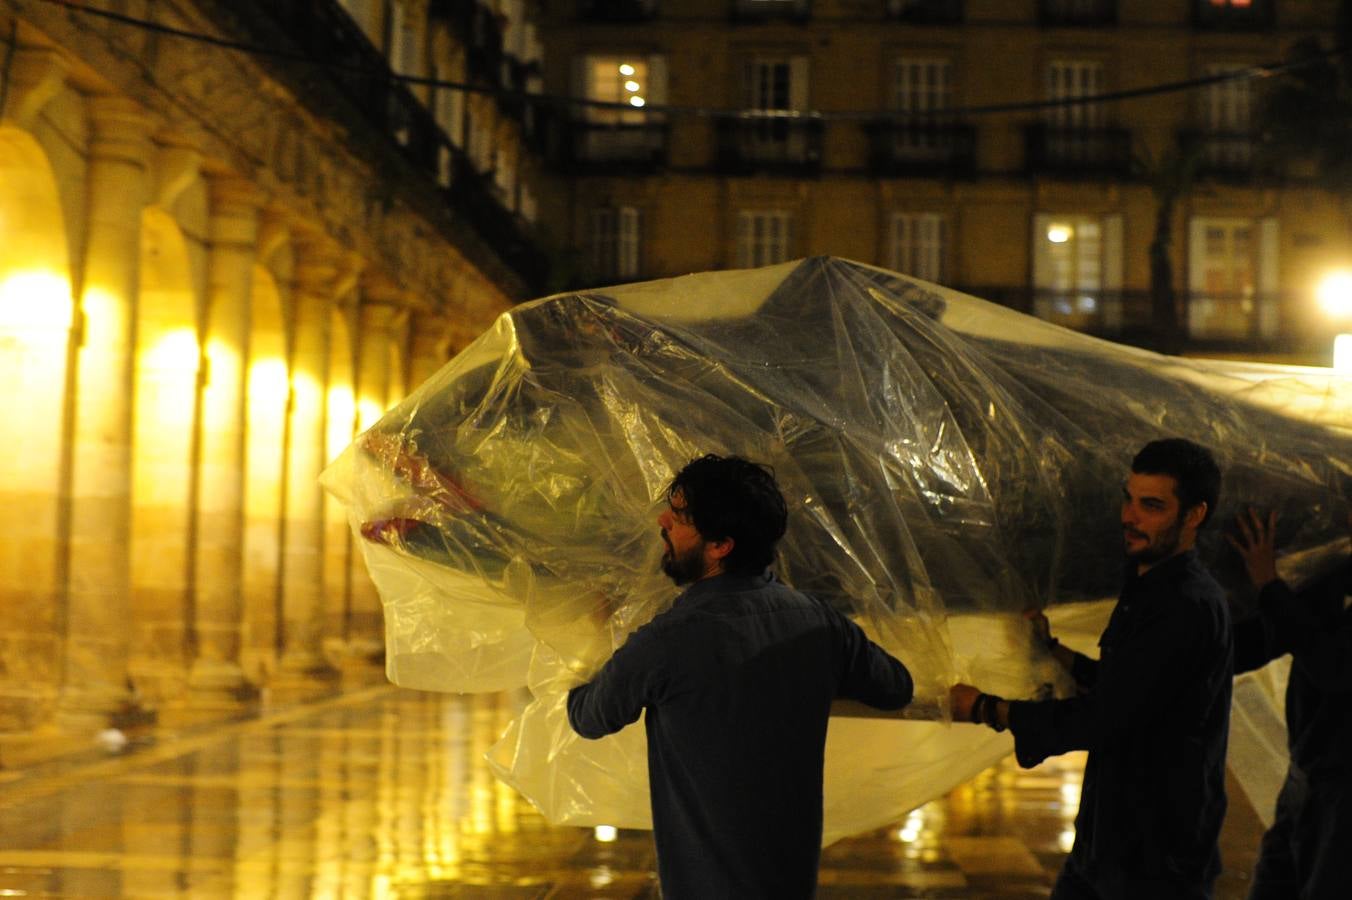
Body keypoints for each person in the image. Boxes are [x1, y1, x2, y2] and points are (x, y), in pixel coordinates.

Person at [566, 454, 914, 899]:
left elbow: (588, 716)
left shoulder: (665, 642)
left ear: (720, 546)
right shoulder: (821, 625)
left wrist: (594, 637)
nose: (662, 523)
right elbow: (896, 687)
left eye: (679, 518)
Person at [950, 438, 1233, 900]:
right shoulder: (1148, 583)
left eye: (1152, 506)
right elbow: (1130, 687)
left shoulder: (1186, 607)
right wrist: (1054, 652)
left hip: (1153, 860)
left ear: (1194, 515)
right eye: (1129, 499)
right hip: (1110, 841)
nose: (1130, 516)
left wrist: (988, 709)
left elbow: (1105, 717)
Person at [1226, 502, 1352, 900]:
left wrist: (1269, 585)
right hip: (1307, 776)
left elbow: (1334, 668)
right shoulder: (1339, 573)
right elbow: (1272, 635)